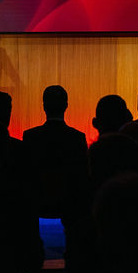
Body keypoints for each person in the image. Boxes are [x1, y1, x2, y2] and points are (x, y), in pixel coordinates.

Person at [22, 86, 88, 220]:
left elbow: (25, 173)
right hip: (70, 205)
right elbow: (82, 175)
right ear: (66, 106)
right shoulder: (77, 137)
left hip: (37, 203)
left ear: (44, 106)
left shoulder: (30, 136)